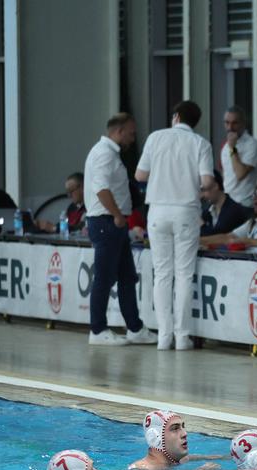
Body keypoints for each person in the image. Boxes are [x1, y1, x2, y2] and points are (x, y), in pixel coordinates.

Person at [135, 100, 215, 351]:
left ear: (176, 116)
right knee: (184, 274)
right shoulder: (201, 143)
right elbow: (207, 181)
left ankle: (163, 336)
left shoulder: (155, 138)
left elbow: (140, 175)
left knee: (162, 274)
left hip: (157, 210)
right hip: (186, 211)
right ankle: (182, 337)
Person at [83, 113, 157, 346]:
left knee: (127, 277)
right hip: (107, 222)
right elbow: (101, 189)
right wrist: (116, 214)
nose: (133, 139)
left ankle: (134, 327)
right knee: (104, 278)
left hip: (114, 222)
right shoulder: (104, 154)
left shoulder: (109, 153)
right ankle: (97, 329)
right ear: (119, 131)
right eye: (131, 134)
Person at [200, 183, 257, 253]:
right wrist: (199, 240)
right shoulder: (252, 222)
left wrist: (248, 242)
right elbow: (228, 237)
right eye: (253, 195)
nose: (254, 198)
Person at [220, 106, 257, 207]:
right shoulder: (226, 146)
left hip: (244, 200)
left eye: (234, 123)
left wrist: (233, 148)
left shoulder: (252, 144)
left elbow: (240, 174)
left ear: (243, 124)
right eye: (227, 123)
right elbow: (225, 173)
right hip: (228, 199)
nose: (230, 127)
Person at [199, 170, 253, 236]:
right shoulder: (208, 211)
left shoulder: (233, 210)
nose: (201, 196)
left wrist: (200, 224)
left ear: (215, 186)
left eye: (203, 190)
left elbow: (216, 237)